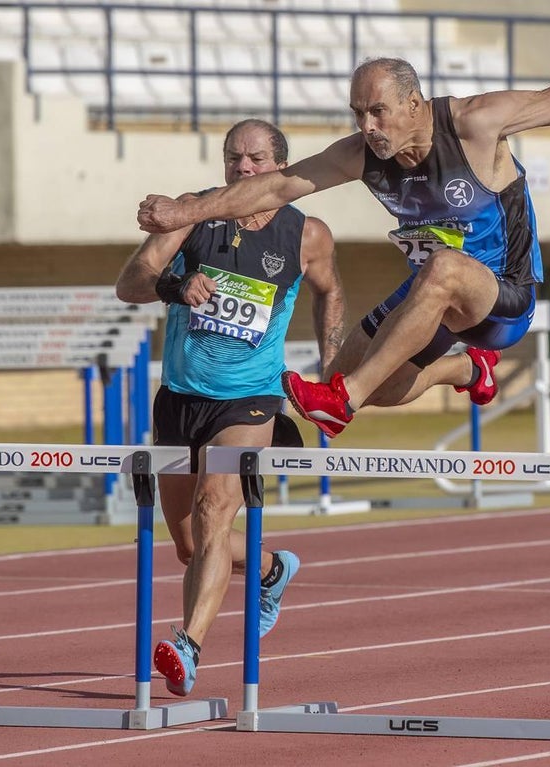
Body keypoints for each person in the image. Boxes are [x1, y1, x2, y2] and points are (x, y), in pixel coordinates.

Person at [139, 32, 550, 438]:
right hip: (434, 297)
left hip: (503, 293)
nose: (367, 126)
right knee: (357, 368)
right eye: (357, 113)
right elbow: (275, 188)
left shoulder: (473, 123)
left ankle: (342, 400)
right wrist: (186, 211)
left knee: (439, 271)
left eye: (378, 111)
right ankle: (462, 370)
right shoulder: (359, 156)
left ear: (415, 104)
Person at [116, 119, 345, 697]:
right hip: (181, 400)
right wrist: (175, 286)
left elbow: (331, 292)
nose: (244, 168)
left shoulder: (306, 234)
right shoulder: (193, 212)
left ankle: (187, 645)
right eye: (234, 158)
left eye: (257, 160)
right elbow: (131, 281)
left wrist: (334, 371)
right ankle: (270, 570)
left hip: (249, 401)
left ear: (281, 167)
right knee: (189, 543)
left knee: (216, 510)